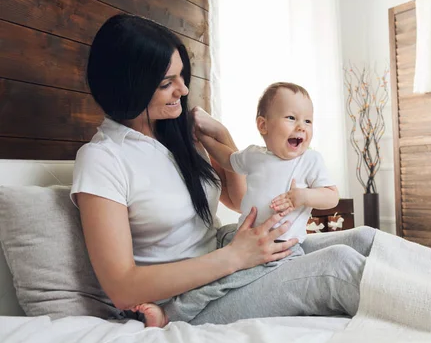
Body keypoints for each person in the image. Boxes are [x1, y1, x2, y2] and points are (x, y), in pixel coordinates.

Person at [71, 13, 376, 328]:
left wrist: (223, 137)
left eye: (181, 76)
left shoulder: (173, 135)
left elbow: (240, 199)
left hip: (231, 254)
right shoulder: (103, 159)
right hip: (188, 298)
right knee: (339, 267)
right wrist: (236, 257)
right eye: (166, 83)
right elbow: (122, 288)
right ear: (128, 87)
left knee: (363, 240)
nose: (183, 90)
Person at [134, 82, 340, 326]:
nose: (301, 127)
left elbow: (331, 196)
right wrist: (203, 137)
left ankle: (170, 314)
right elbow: (228, 160)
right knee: (220, 279)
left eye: (308, 121)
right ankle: (174, 313)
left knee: (224, 280)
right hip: (244, 242)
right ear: (263, 125)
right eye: (291, 118)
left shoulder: (310, 160)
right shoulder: (254, 156)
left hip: (280, 250)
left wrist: (303, 197)